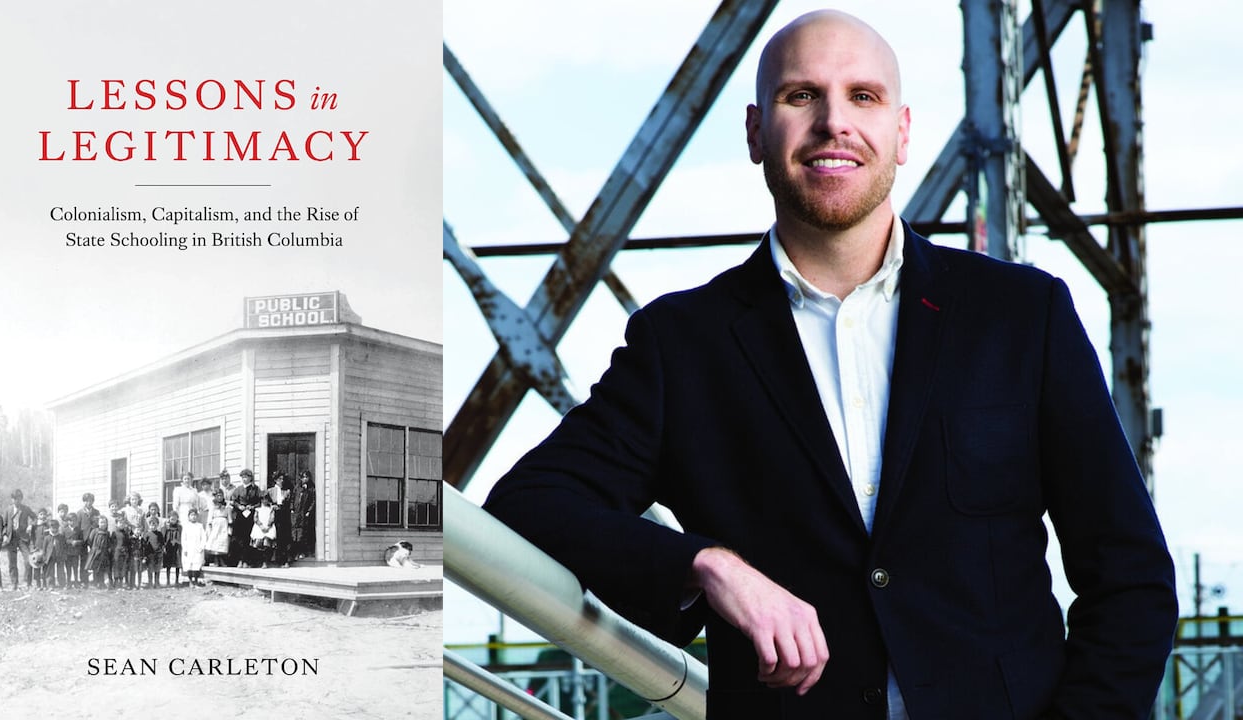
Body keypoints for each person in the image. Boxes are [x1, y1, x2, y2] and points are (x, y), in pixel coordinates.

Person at [483, 10, 1178, 719]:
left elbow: (1131, 576)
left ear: (902, 132)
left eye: (863, 97)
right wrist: (704, 564)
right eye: (801, 96)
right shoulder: (682, 344)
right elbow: (528, 504)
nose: (834, 123)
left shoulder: (1022, 316)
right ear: (756, 132)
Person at [4, 489, 37, 591]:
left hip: (23, 538)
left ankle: (28, 582)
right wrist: (5, 535)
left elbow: (35, 518)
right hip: (11, 538)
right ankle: (14, 583)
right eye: (14, 499)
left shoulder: (26, 509)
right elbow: (5, 524)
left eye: (18, 499)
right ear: (12, 499)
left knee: (28, 560)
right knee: (12, 562)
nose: (16, 501)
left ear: (21, 499)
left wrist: (31, 525)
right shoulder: (8, 510)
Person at [229, 468, 261, 567]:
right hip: (240, 515)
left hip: (250, 515)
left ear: (250, 478)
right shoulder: (238, 489)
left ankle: (247, 560)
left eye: (246, 477)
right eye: (242, 477)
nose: (244, 479)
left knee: (248, 537)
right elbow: (233, 501)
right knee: (239, 538)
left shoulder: (255, 489)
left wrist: (252, 506)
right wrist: (239, 506)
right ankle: (239, 560)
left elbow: (260, 502)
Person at [291, 470, 316, 560]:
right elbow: (293, 498)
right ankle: (294, 553)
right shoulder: (297, 488)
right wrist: (292, 509)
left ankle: (302, 552)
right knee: (294, 532)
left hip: (304, 513)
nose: (305, 479)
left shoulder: (311, 489)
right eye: (303, 477)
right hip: (296, 513)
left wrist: (309, 511)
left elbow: (313, 501)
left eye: (306, 477)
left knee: (302, 533)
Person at [181, 508, 206, 587]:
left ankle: (196, 580)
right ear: (189, 517)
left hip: (197, 548)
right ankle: (190, 580)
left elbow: (203, 537)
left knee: (197, 565)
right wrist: (185, 548)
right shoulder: (186, 526)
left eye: (195, 515)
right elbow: (183, 539)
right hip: (189, 548)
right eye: (192, 515)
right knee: (189, 565)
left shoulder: (200, 526)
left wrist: (201, 547)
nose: (193, 517)